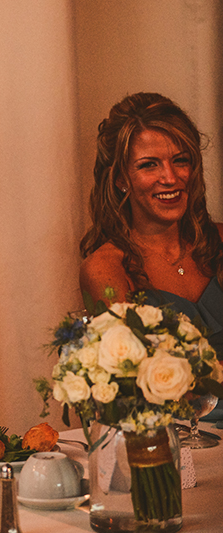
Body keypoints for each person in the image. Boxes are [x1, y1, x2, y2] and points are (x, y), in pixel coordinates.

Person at [80, 92, 223, 362]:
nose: (170, 178)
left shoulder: (219, 240)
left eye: (180, 160)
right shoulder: (106, 268)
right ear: (121, 178)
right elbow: (128, 375)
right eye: (149, 165)